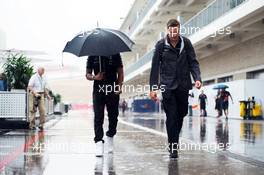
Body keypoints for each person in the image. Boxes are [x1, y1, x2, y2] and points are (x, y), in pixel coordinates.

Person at [149, 19, 202, 159]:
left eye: (176, 30)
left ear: (179, 30)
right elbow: (155, 68)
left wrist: (197, 78)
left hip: (183, 85)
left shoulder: (186, 43)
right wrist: (153, 88)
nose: (173, 33)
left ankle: (174, 138)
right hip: (167, 87)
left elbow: (193, 62)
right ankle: (173, 147)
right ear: (167, 30)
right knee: (171, 117)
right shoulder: (161, 45)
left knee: (182, 113)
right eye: (171, 31)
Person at [86, 54, 124, 157]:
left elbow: (120, 72)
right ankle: (98, 142)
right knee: (98, 116)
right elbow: (87, 74)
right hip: (98, 90)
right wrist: (95, 77)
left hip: (112, 88)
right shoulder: (92, 56)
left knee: (113, 116)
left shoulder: (115, 53)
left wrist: (119, 86)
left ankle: (110, 136)